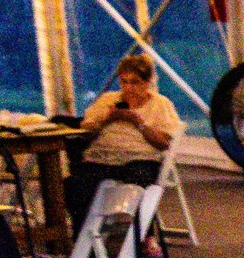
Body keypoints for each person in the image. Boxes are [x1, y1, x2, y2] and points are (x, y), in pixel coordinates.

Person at [68, 54, 180, 225]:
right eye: (123, 82)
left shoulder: (160, 104)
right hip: (102, 158)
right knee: (75, 184)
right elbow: (85, 134)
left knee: (140, 180)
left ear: (147, 81)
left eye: (134, 82)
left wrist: (138, 122)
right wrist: (108, 119)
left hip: (140, 158)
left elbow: (164, 143)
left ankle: (144, 232)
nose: (128, 88)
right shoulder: (107, 100)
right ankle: (83, 237)